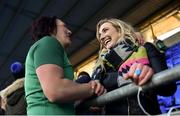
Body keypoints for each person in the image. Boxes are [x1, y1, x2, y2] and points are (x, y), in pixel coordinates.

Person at [92, 18, 177, 115]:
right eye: (99, 35)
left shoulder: (145, 48)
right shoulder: (100, 67)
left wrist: (151, 76)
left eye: (105, 30)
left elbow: (168, 88)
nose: (102, 37)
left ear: (119, 30)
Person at [24, 16, 105, 115]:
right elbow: (56, 90)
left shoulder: (45, 47)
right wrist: (92, 87)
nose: (69, 31)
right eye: (64, 27)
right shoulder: (48, 42)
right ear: (51, 29)